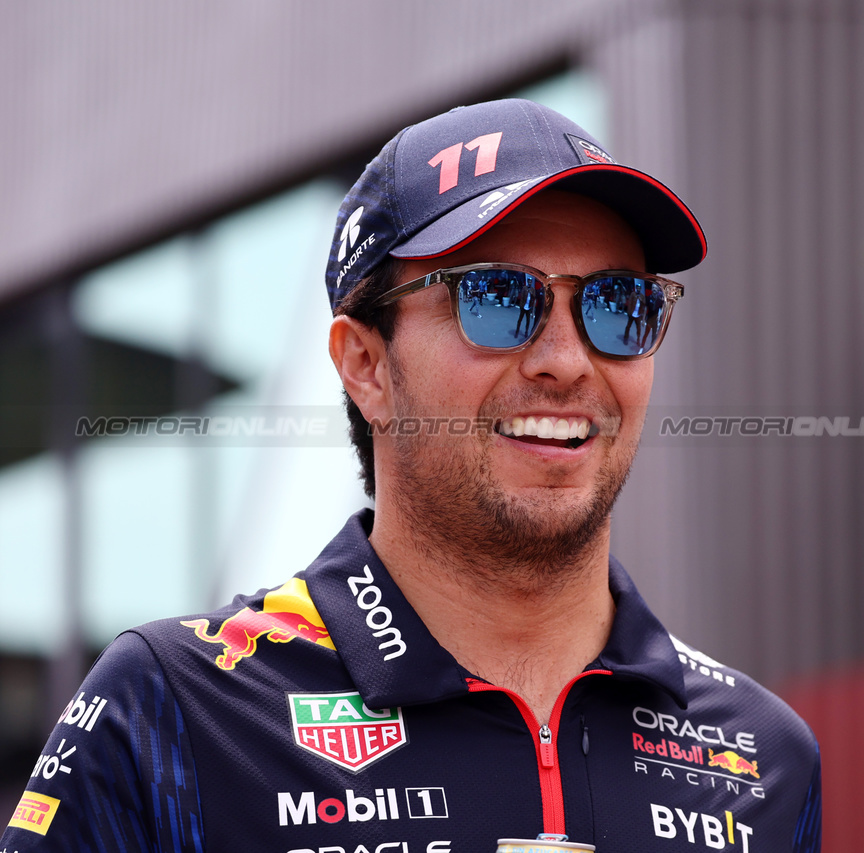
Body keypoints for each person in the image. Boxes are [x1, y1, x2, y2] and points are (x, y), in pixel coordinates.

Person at [4, 99, 821, 853]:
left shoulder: (764, 753)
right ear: (365, 364)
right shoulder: (177, 710)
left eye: (618, 304)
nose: (568, 361)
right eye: (498, 297)